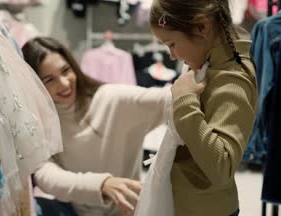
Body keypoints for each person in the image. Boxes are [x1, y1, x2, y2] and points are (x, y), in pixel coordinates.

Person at [148, 0, 258, 216]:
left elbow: (221, 167)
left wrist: (185, 102)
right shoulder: (211, 66)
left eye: (172, 44)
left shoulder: (231, 79)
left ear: (202, 27)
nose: (172, 56)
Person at [22, 37, 172, 216]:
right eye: (49, 80)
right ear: (35, 84)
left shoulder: (112, 100)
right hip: (76, 211)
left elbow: (167, 99)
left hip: (126, 211)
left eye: (66, 70)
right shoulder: (39, 121)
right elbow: (43, 173)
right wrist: (101, 184)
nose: (63, 83)